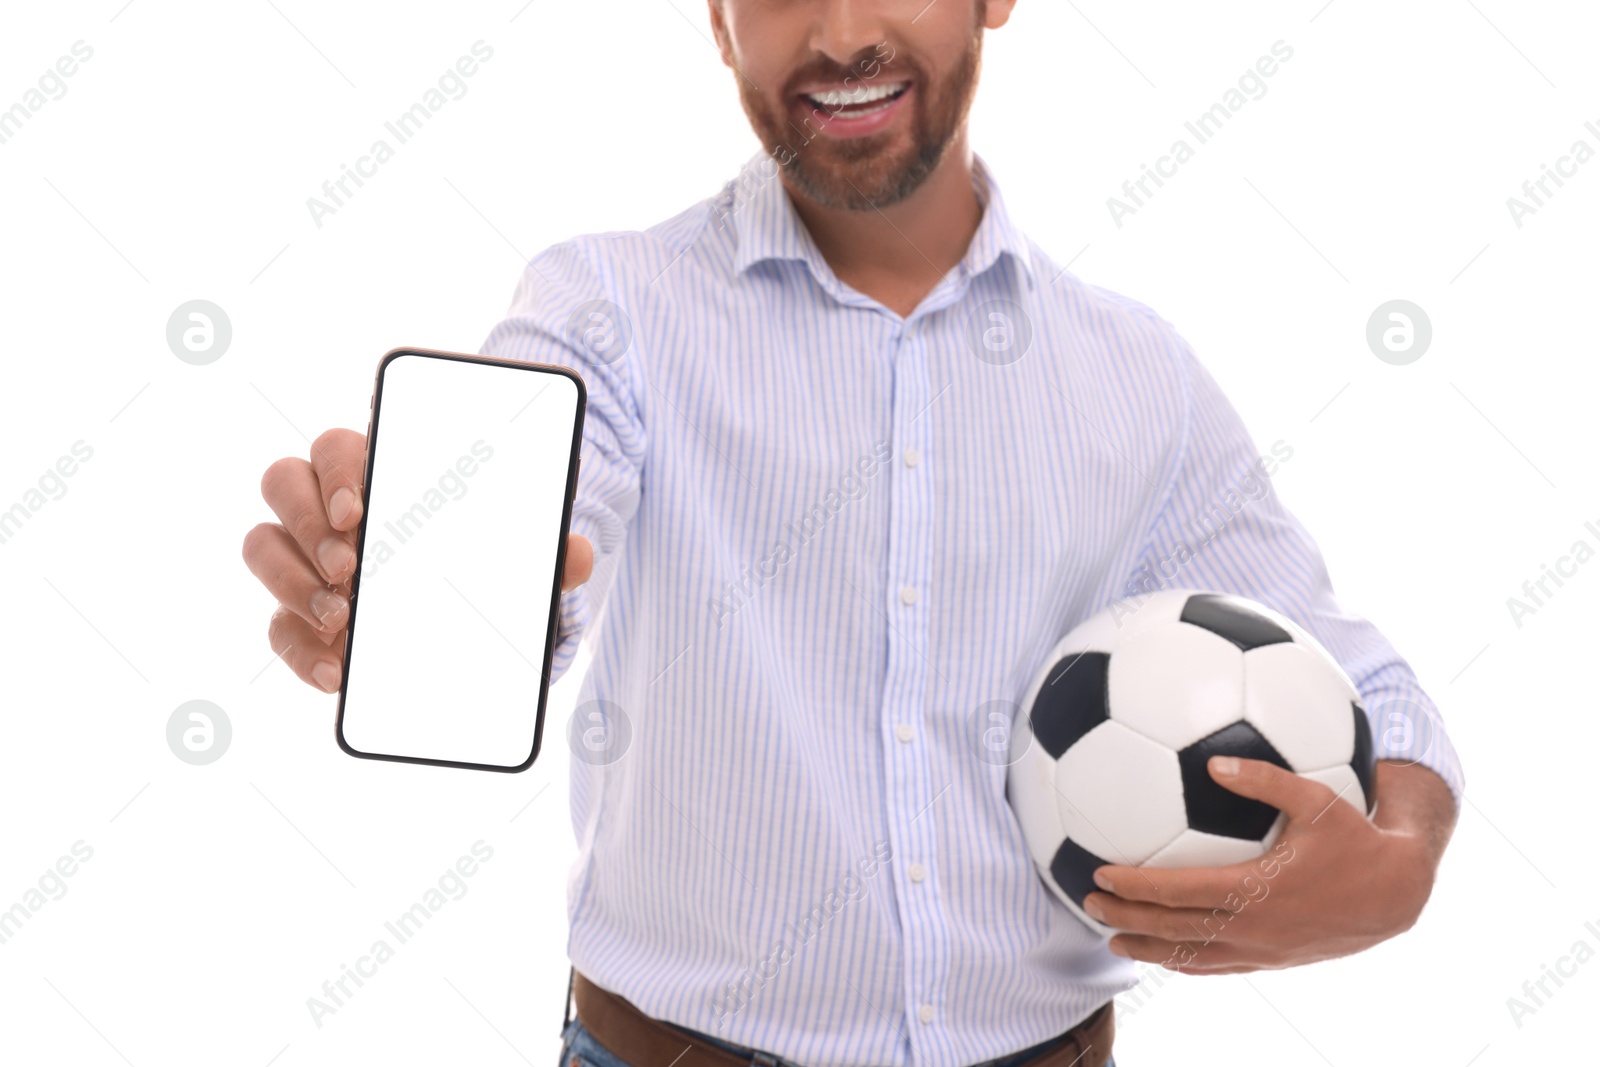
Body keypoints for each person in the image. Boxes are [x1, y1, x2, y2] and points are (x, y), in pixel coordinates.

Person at [242, 3, 1464, 1066]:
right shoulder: (609, 310)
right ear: (715, 17)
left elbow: (1361, 683)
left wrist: (1400, 857)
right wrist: (407, 578)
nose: (836, 35)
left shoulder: (1135, 373)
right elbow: (536, 538)